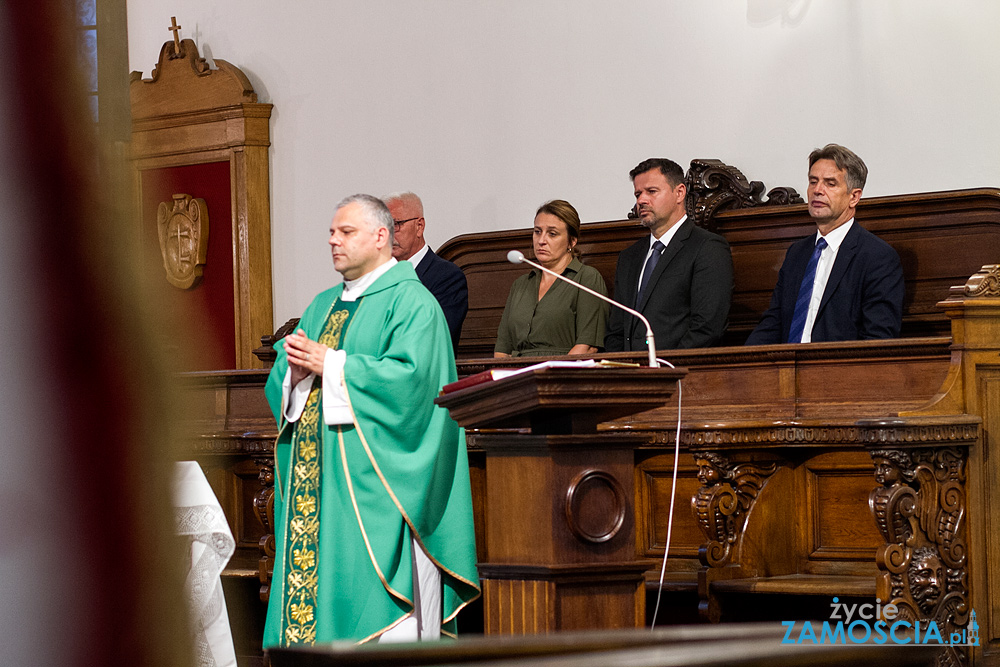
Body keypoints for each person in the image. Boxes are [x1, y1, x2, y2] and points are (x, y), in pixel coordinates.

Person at [263, 194, 479, 647]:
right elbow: (288, 368)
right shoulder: (322, 305)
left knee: (381, 624)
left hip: (379, 492)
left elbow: (416, 385)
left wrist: (334, 365)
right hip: (323, 487)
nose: (332, 241)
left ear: (382, 237)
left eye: (346, 232)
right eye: (331, 232)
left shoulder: (415, 304)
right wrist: (296, 372)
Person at [745, 144, 904, 344]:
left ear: (854, 197)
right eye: (813, 181)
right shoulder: (797, 253)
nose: (817, 190)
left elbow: (878, 337)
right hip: (786, 369)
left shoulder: (877, 257)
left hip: (838, 370)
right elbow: (775, 321)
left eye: (830, 183)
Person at [604, 158, 733, 352]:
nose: (641, 201)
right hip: (630, 375)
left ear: (679, 193)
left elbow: (707, 327)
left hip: (679, 373)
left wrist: (666, 367)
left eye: (652, 191)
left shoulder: (707, 247)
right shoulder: (629, 257)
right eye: (638, 194)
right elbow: (617, 329)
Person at [494, 199, 608, 357]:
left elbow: (587, 347)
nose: (541, 241)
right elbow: (502, 350)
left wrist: (550, 377)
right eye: (537, 232)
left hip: (562, 375)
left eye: (552, 234)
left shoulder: (586, 278)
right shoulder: (520, 284)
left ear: (572, 241)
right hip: (517, 376)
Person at [384, 192, 468, 351]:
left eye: (395, 224)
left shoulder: (448, 277)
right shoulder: (378, 278)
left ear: (419, 227)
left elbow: (437, 338)